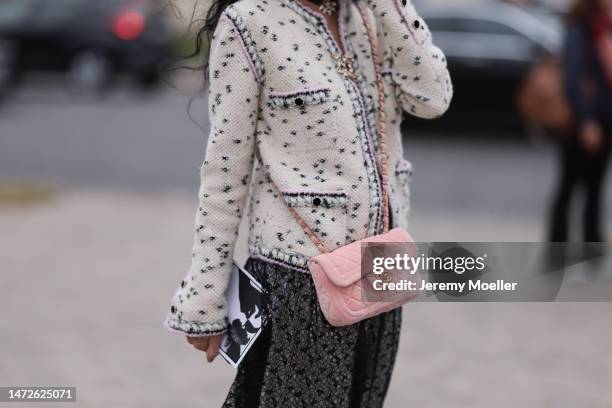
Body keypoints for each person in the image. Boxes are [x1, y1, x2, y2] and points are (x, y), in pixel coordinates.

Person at [165, 0, 452, 406]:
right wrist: (205, 299)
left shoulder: (373, 17)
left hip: (380, 273)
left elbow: (434, 98)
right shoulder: (251, 22)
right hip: (298, 283)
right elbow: (224, 175)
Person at [549, 0, 612, 242]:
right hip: (580, 123)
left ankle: (592, 247)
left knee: (596, 188)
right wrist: (587, 121)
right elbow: (572, 80)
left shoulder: (603, 29)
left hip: (603, 120)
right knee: (569, 187)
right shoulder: (580, 30)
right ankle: (557, 249)